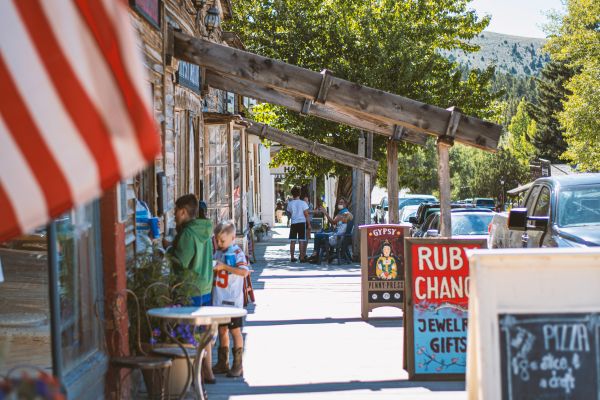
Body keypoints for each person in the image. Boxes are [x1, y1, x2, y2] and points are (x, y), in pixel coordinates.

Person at [168, 194, 215, 382]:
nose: (174, 217)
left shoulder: (187, 234)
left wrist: (169, 249)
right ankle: (208, 371)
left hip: (189, 287)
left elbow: (181, 261)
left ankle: (192, 375)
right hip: (205, 286)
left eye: (175, 213)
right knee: (204, 332)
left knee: (189, 332)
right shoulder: (204, 229)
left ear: (183, 211)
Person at [211, 221, 250, 378]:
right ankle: (223, 361)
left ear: (233, 238)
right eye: (217, 240)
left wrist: (225, 267)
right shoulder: (218, 253)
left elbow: (244, 272)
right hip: (219, 299)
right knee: (222, 330)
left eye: (222, 240)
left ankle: (238, 364)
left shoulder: (236, 252)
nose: (219, 244)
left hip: (233, 301)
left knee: (235, 331)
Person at [287, 187, 310, 262]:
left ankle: (292, 257)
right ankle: (302, 257)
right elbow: (306, 214)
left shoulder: (290, 204)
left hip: (294, 223)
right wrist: (309, 224)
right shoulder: (303, 203)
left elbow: (290, 213)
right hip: (302, 223)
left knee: (292, 240)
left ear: (292, 194)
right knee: (301, 240)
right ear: (299, 194)